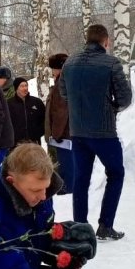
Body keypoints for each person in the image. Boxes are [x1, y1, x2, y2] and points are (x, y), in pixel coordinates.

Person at [59, 23, 133, 240]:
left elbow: (63, 93)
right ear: (106, 41)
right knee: (116, 173)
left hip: (78, 131)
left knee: (81, 178)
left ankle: (80, 226)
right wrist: (112, 108)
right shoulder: (111, 63)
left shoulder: (69, 63)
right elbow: (125, 98)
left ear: (87, 39)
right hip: (103, 131)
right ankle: (105, 225)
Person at [45, 53, 73, 194]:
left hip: (64, 134)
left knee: (65, 162)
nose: (52, 72)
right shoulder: (69, 80)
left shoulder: (61, 83)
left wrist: (56, 133)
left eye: (53, 68)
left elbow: (61, 111)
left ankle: (66, 187)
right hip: (69, 131)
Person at [7, 77, 45, 146]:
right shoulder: (9, 104)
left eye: (26, 85)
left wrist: (38, 133)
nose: (25, 88)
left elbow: (45, 119)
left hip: (34, 143)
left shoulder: (37, 102)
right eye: (22, 86)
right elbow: (6, 123)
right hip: (16, 144)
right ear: (16, 88)